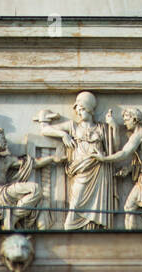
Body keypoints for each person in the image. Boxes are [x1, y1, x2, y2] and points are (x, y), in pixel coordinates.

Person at [39, 91, 115, 231]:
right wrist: (63, 134)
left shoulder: (101, 128)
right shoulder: (73, 126)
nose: (79, 113)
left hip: (98, 171)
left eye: (81, 109)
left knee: (97, 211)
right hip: (80, 171)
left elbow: (113, 147)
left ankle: (94, 232)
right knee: (75, 205)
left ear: (89, 109)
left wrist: (113, 126)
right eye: (78, 110)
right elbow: (44, 130)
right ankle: (71, 230)